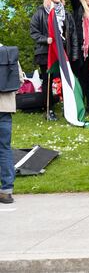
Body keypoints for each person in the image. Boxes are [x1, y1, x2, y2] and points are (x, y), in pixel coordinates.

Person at [29, 0, 76, 120]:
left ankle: (68, 107)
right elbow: (33, 32)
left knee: (65, 78)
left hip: (62, 50)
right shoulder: (39, 13)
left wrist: (71, 49)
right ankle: (48, 109)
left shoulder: (65, 13)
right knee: (48, 80)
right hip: (45, 52)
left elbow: (71, 32)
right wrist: (45, 39)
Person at [0, 51, 23, 204]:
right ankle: (7, 190)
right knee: (4, 148)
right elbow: (19, 79)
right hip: (5, 107)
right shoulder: (9, 53)